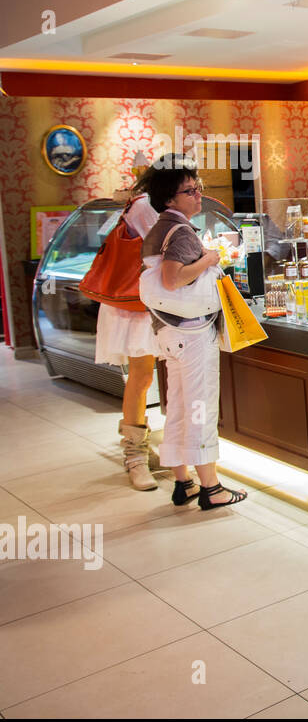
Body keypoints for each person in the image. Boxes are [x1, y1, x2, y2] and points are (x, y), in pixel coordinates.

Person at [140, 155, 246, 511]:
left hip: (169, 333)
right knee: (200, 407)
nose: (198, 195)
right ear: (170, 199)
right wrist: (209, 259)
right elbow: (173, 278)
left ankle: (183, 480)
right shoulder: (182, 231)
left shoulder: (158, 229)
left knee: (180, 408)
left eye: (198, 188)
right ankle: (211, 487)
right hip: (193, 332)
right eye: (190, 190)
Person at [95, 166, 162, 491]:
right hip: (136, 305)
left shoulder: (147, 204)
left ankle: (148, 447)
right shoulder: (146, 206)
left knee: (149, 376)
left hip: (151, 302)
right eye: (188, 184)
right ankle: (135, 456)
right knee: (142, 376)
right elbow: (167, 252)